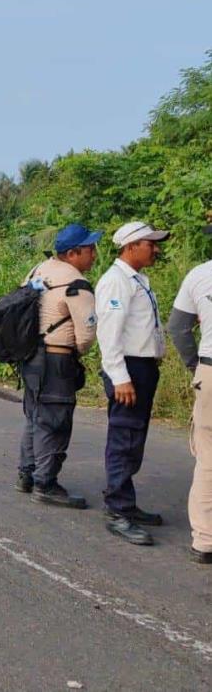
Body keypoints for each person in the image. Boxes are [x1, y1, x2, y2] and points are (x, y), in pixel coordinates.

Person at [95, 221, 170, 546]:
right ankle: (118, 511)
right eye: (150, 243)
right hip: (127, 368)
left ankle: (126, 502)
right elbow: (108, 335)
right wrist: (119, 376)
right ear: (131, 246)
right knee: (124, 438)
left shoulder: (137, 280)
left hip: (142, 367)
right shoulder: (115, 282)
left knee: (134, 437)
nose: (156, 249)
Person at [17, 223, 100, 508]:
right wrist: (76, 352)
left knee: (35, 416)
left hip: (30, 358)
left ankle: (26, 474)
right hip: (57, 359)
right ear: (74, 253)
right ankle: (46, 483)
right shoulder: (76, 284)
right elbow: (87, 335)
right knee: (55, 421)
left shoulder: (38, 270)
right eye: (90, 249)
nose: (95, 255)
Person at [167, 224, 212, 564]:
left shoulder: (200, 275)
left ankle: (205, 540)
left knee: (209, 459)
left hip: (210, 370)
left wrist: (194, 365)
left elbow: (178, 328)